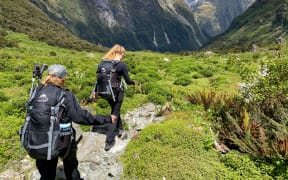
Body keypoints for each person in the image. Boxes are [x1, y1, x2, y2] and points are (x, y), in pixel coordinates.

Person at [33, 64, 115, 180]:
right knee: (71, 168)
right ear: (62, 78)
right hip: (62, 142)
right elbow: (80, 117)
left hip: (38, 140)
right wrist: (106, 118)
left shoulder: (36, 92)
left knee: (46, 175)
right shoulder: (65, 95)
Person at [92, 44, 135, 151]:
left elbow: (98, 79)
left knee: (115, 109)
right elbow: (128, 81)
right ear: (118, 53)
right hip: (116, 93)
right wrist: (134, 82)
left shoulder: (102, 63)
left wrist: (95, 92)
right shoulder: (121, 65)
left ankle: (120, 129)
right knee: (114, 114)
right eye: (122, 54)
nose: (123, 56)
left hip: (105, 93)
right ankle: (109, 141)